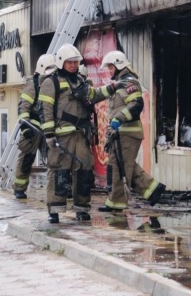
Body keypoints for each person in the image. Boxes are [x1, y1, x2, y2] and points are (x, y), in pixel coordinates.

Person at [86, 51, 165, 212]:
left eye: (110, 67)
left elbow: (136, 105)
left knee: (117, 165)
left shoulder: (130, 83)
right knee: (125, 165)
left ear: (118, 65)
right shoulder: (120, 83)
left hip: (128, 132)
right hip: (121, 133)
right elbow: (99, 94)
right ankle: (153, 189)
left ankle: (116, 202)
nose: (109, 71)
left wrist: (118, 119)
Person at [38, 44, 96, 223]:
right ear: (61, 62)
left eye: (76, 62)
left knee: (85, 169)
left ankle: (82, 208)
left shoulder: (81, 81)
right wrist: (49, 135)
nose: (74, 65)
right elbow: (45, 109)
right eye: (70, 62)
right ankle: (54, 210)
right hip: (60, 137)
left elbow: (94, 97)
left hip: (81, 135)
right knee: (58, 171)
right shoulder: (51, 82)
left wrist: (113, 88)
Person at [13, 54, 57, 199]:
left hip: (49, 128)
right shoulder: (33, 84)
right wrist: (25, 126)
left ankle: (57, 190)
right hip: (33, 128)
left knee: (54, 160)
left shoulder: (53, 83)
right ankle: (19, 188)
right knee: (26, 159)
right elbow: (23, 106)